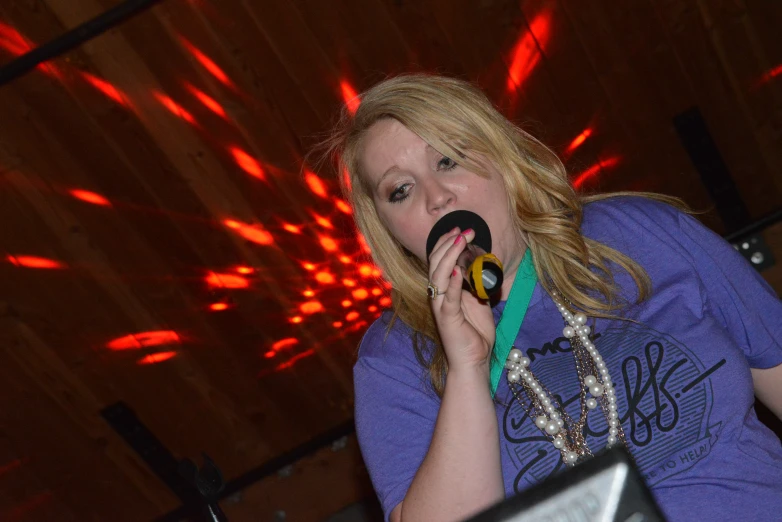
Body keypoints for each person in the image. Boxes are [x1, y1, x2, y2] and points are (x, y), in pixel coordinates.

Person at [320, 74, 782, 522]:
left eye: (449, 160)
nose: (436, 197)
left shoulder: (642, 234)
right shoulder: (395, 357)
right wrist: (466, 369)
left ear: (500, 157)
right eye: (400, 190)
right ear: (388, 229)